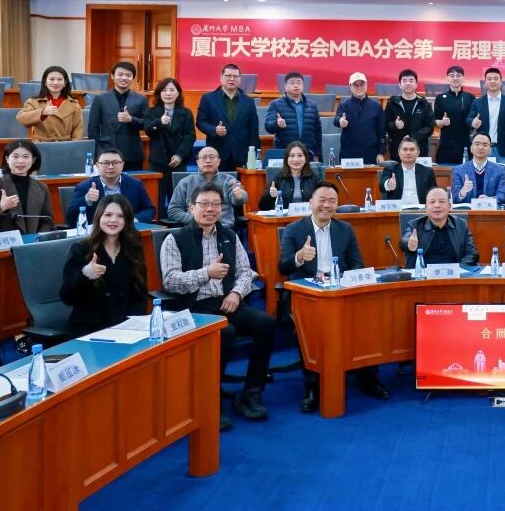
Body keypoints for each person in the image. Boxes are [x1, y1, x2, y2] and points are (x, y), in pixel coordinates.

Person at [159, 182, 274, 424]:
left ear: (222, 209)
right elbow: (170, 281)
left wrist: (236, 294)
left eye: (215, 204)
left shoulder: (229, 236)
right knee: (226, 332)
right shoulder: (175, 239)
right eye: (204, 204)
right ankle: (210, 398)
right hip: (194, 308)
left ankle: (251, 392)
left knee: (266, 323)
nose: (210, 209)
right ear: (191, 207)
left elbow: (245, 272)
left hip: (227, 302)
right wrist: (206, 273)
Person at [278, 181, 388, 410]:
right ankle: (312, 386)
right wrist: (299, 257)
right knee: (312, 326)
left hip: (341, 289)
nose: (326, 205)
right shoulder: (293, 230)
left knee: (367, 315)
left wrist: (349, 282)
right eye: (322, 200)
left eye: (332, 201)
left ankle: (368, 378)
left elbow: (357, 263)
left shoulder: (345, 229)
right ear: (311, 203)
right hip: (308, 294)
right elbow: (283, 267)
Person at [59, 194, 147, 335]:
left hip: (125, 328)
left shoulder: (132, 248)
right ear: (99, 217)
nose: (113, 220)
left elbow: (140, 294)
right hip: (88, 330)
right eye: (108, 215)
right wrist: (85, 274)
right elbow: (67, 297)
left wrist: (135, 326)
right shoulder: (82, 249)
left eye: (120, 216)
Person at [0, 139, 55, 234]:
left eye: (26, 156)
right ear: (7, 159)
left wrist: (40, 237)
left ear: (33, 160)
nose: (20, 161)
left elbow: (47, 220)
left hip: (34, 241)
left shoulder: (42, 188)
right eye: (15, 156)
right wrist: (1, 207)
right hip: (5, 242)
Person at [143, 76, 196, 212]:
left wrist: (180, 155)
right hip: (158, 161)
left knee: (179, 198)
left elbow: (190, 136)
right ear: (159, 93)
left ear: (178, 93)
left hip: (178, 161)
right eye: (164, 90)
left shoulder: (186, 113)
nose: (168, 93)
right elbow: (149, 131)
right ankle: (158, 223)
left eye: (172, 90)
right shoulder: (151, 112)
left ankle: (178, 223)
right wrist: (159, 122)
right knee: (157, 198)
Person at [66, 148, 156, 226]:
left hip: (127, 232)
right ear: (97, 166)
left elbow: (149, 209)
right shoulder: (84, 187)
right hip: (97, 234)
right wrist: (86, 199)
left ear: (122, 165)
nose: (110, 167)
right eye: (105, 163)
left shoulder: (135, 184)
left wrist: (134, 220)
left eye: (115, 163)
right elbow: (70, 218)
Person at [195, 63, 260, 171]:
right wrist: (214, 130)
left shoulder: (249, 101)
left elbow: (253, 130)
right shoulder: (208, 98)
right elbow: (200, 122)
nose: (232, 79)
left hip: (241, 154)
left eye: (235, 76)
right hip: (217, 153)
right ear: (221, 77)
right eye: (228, 76)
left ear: (240, 79)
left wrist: (255, 156)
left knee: (239, 182)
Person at [87, 61, 149, 169]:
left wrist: (131, 119)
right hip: (107, 152)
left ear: (133, 78)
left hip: (132, 152)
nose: (124, 78)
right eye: (120, 74)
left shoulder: (141, 99)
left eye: (128, 75)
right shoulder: (100, 99)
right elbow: (93, 129)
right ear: (112, 76)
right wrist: (97, 153)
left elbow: (148, 124)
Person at [166, 147, 248, 229]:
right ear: (198, 162)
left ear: (219, 161)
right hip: (194, 229)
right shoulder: (185, 182)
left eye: (212, 157)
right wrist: (197, 220)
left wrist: (239, 196)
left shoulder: (229, 180)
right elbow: (173, 210)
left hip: (223, 228)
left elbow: (240, 199)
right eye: (204, 157)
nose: (208, 160)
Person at [403, 186, 478, 266]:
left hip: (454, 272)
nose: (437, 205)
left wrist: (458, 269)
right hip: (425, 272)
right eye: (432, 202)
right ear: (426, 208)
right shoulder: (415, 225)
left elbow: (472, 254)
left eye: (441, 201)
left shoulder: (461, 225)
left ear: (449, 206)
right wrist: (409, 244)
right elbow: (404, 241)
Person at [264, 72, 322, 161]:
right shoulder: (275, 104)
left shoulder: (312, 105)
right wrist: (277, 124)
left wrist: (317, 154)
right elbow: (268, 127)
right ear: (285, 86)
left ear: (303, 85)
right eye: (292, 83)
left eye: (299, 82)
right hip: (284, 152)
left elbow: (318, 132)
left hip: (307, 153)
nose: (296, 85)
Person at [16, 65, 83, 141]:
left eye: (60, 79)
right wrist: (42, 112)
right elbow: (21, 119)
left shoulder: (74, 104)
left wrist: (73, 146)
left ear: (65, 83)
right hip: (41, 144)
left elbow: (78, 131)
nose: (55, 83)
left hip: (65, 145)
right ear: (45, 82)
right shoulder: (34, 101)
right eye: (52, 79)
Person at [334, 72, 386, 164]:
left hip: (371, 154)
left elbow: (381, 132)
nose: (359, 87)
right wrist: (340, 121)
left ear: (367, 85)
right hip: (349, 155)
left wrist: (381, 153)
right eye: (355, 85)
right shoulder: (344, 105)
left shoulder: (376, 106)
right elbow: (336, 119)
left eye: (362, 84)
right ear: (350, 86)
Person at [383, 69, 434, 162]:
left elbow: (429, 127)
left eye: (411, 80)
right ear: (399, 84)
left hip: (419, 150)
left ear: (416, 84)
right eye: (404, 80)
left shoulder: (423, 103)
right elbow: (385, 124)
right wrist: (395, 125)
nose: (408, 84)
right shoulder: (392, 103)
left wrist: (412, 137)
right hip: (397, 151)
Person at [467, 67, 505, 161]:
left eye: (496, 79)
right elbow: (469, 119)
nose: (492, 81)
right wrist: (473, 122)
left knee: (503, 171)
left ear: (501, 82)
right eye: (489, 79)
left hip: (503, 150)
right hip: (482, 148)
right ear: (485, 82)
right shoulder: (478, 102)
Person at [433, 64, 476, 164]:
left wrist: (474, 122)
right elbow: (435, 121)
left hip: (465, 145)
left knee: (466, 172)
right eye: (452, 76)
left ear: (463, 78)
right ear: (447, 78)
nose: (455, 78)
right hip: (446, 145)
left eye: (458, 75)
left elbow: (473, 121)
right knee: (445, 171)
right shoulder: (440, 98)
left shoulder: (470, 97)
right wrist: (441, 122)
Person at [450, 131, 505, 204]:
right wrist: (463, 191)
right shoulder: (458, 170)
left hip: (489, 209)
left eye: (485, 145)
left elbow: (502, 196)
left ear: (490, 150)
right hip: (467, 210)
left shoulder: (499, 170)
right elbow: (454, 198)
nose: (480, 147)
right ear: (471, 148)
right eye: (477, 144)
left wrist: (489, 199)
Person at [260, 141, 318, 211]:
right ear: (286, 159)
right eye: (292, 156)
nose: (296, 159)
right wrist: (270, 196)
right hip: (285, 217)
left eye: (300, 155)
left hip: (309, 216)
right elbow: (262, 207)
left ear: (306, 159)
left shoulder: (314, 177)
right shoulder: (279, 177)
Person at [379, 136, 436, 206]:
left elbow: (434, 193)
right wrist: (388, 184)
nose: (408, 152)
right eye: (405, 149)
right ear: (399, 152)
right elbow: (382, 186)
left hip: (421, 210)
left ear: (418, 152)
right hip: (398, 210)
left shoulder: (427, 172)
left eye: (412, 149)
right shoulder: (391, 169)